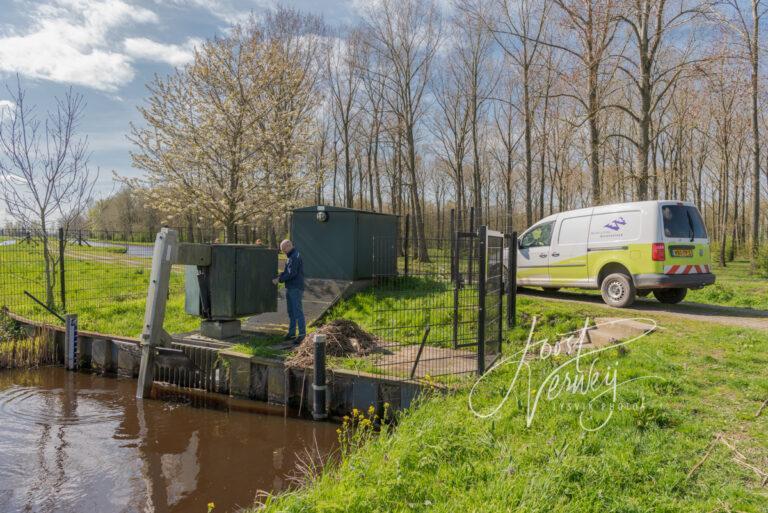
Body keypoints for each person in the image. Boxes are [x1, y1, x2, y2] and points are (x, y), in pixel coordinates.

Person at [273, 239, 305, 343]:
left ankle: (302, 335)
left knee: (297, 312)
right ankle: (291, 333)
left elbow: (292, 273)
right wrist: (280, 275)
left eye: (283, 250)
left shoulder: (294, 257)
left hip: (295, 288)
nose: (283, 252)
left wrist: (279, 280)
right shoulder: (291, 256)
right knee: (291, 312)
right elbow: (287, 271)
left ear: (288, 246)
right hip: (290, 287)